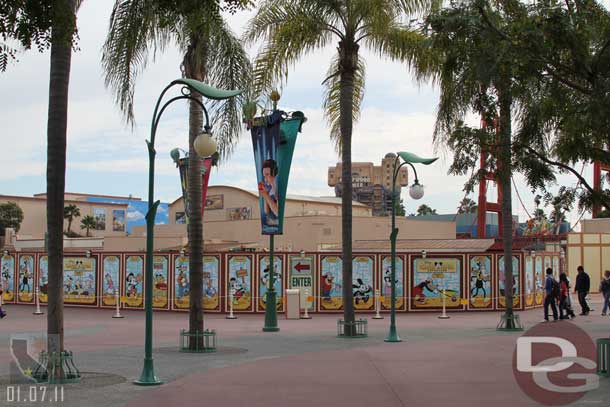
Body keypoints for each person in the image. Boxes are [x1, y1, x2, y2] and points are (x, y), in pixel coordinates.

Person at [258, 159, 279, 226]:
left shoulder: (278, 189)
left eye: (267, 174)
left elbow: (277, 212)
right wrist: (265, 195)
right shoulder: (269, 190)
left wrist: (265, 195)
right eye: (264, 176)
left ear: (274, 173)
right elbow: (266, 211)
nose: (265, 179)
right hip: (271, 224)